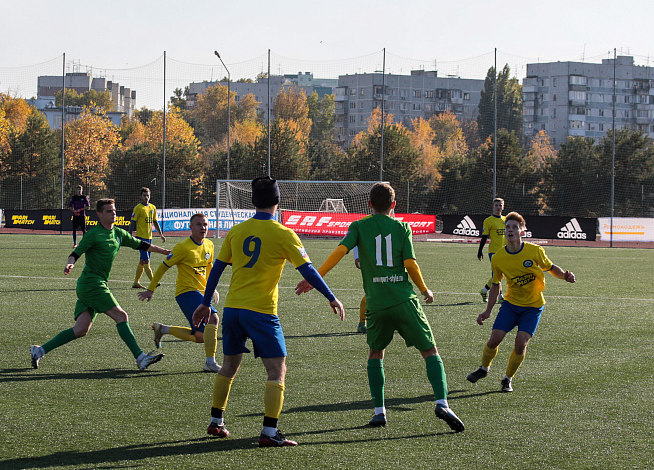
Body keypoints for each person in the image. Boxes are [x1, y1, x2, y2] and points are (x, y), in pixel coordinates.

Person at [296, 182, 464, 433]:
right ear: (394, 205)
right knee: (430, 350)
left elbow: (339, 252)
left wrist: (315, 278)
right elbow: (410, 263)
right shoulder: (402, 227)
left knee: (376, 354)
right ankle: (442, 403)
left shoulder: (359, 226)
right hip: (404, 301)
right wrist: (424, 289)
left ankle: (379, 412)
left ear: (369, 205)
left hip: (376, 305)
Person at [193, 176, 345, 447]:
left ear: (253, 201)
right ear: (277, 201)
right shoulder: (283, 233)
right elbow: (308, 270)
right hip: (262, 312)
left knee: (229, 365)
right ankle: (270, 432)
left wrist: (206, 302)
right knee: (277, 370)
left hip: (233, 309)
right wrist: (331, 296)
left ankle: (216, 421)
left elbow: (216, 270)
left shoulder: (237, 232)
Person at [30, 198, 171, 372]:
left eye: (114, 210)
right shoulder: (94, 234)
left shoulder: (118, 233)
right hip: (92, 284)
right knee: (121, 316)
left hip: (93, 284)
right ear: (99, 214)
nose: (114, 214)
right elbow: (76, 253)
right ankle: (140, 358)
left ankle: (39, 350)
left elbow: (142, 245)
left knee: (81, 330)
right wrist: (70, 263)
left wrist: (166, 252)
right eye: (109, 211)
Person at [466, 211, 576, 393]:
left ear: (522, 231)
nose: (510, 230)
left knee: (520, 344)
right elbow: (495, 285)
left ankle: (507, 378)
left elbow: (550, 268)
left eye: (514, 227)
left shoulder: (535, 251)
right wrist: (487, 310)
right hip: (511, 305)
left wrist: (565, 276)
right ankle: (484, 369)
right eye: (507, 227)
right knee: (494, 339)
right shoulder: (499, 257)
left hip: (533, 307)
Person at [138, 213, 222, 373]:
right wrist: (150, 289)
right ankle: (210, 363)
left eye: (205, 224)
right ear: (190, 227)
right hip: (186, 292)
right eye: (198, 224)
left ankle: (162, 329)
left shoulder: (209, 245)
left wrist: (212, 288)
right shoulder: (182, 247)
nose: (203, 227)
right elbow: (163, 267)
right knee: (213, 317)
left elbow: (209, 266)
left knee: (200, 337)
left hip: (202, 293)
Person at [131, 187, 165, 289]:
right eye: (144, 195)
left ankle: (136, 282)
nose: (146, 197)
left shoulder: (153, 208)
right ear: (141, 196)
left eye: (148, 195)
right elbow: (133, 222)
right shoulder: (138, 208)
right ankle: (153, 282)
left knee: (142, 261)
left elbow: (155, 222)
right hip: (140, 239)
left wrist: (161, 234)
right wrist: (129, 234)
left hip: (149, 238)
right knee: (146, 261)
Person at [477, 198, 507, 302]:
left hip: (505, 251)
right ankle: (500, 296)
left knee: (499, 274)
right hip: (494, 251)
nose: (498, 207)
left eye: (500, 205)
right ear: (493, 206)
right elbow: (484, 237)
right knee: (498, 274)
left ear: (503, 207)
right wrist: (480, 251)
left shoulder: (506, 220)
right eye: (497, 205)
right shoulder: (488, 221)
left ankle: (484, 290)